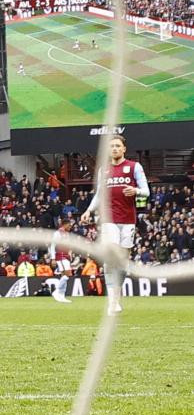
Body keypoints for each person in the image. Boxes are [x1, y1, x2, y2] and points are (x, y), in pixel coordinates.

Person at [80, 134, 148, 314]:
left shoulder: (134, 167)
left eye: (118, 146)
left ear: (124, 149)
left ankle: (116, 300)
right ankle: (111, 301)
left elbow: (146, 191)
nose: (115, 149)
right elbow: (99, 194)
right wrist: (88, 210)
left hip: (128, 221)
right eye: (112, 146)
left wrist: (135, 190)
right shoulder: (105, 169)